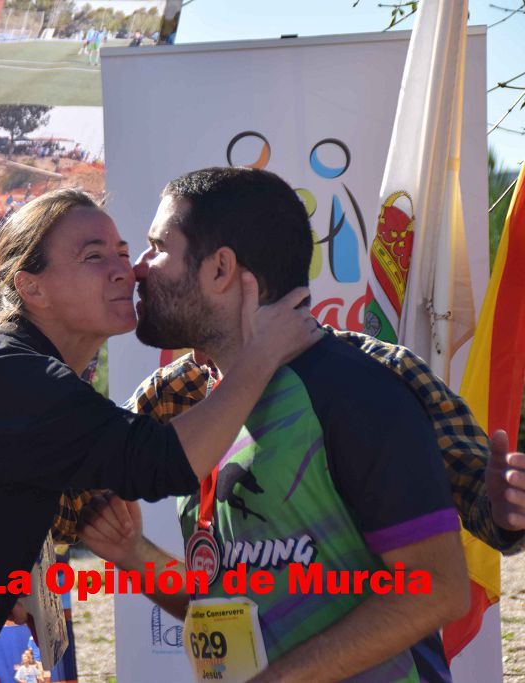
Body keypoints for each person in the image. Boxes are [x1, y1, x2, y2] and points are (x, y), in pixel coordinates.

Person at [0, 188, 319, 682]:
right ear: (30, 286)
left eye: (124, 251)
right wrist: (262, 353)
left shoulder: (27, 375)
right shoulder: (17, 377)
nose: (126, 271)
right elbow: (165, 462)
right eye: (94, 257)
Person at [76, 167, 483, 681]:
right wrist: (134, 554)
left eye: (158, 248)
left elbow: (436, 589)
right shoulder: (205, 406)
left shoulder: (350, 390)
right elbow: (228, 597)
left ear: (220, 268)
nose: (137, 269)